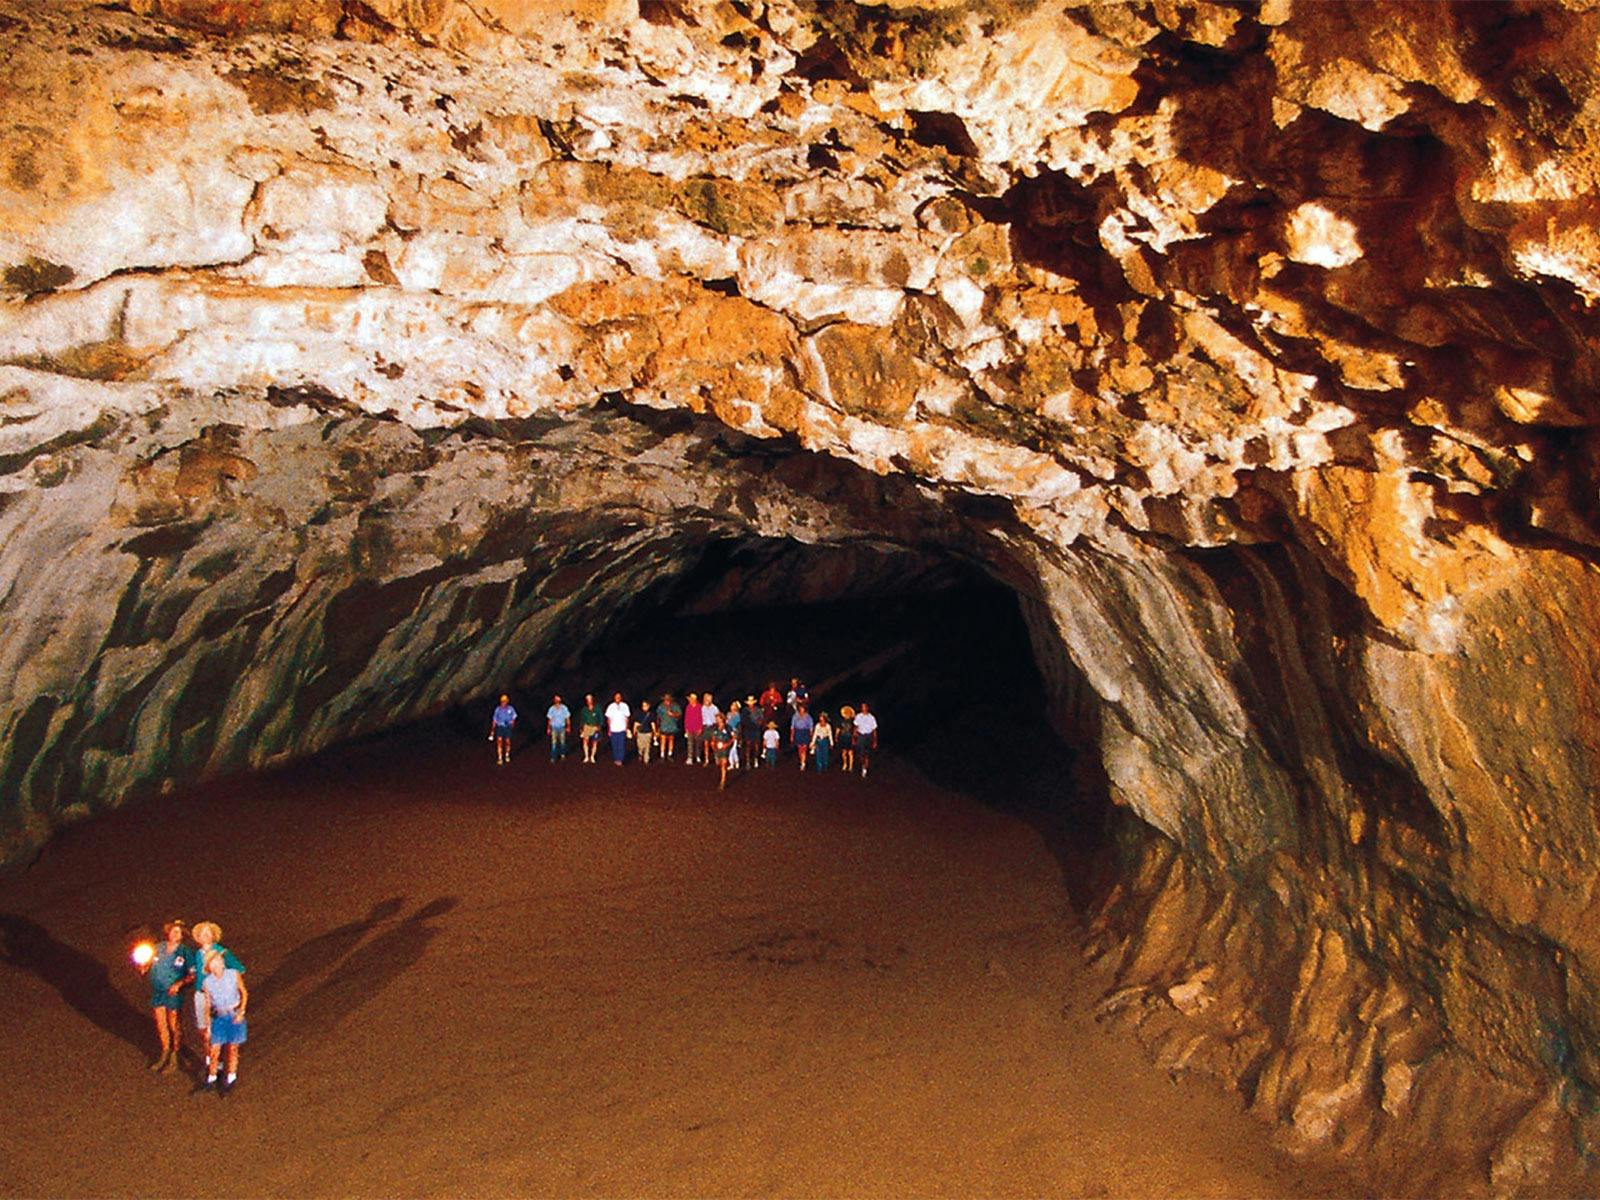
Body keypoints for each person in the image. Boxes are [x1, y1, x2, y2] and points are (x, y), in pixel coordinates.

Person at [189, 921, 244, 1070]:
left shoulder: (222, 952)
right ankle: (212, 1060)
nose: (205, 936)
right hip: (201, 994)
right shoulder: (197, 954)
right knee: (203, 1029)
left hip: (220, 997)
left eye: (208, 933)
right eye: (202, 934)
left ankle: (226, 1061)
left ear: (214, 936)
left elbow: (239, 969)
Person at [138, 920, 192, 1073]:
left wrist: (179, 984)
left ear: (182, 935)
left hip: (173, 993)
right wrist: (144, 967)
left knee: (174, 1023)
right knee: (161, 1024)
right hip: (158, 991)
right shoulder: (157, 948)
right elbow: (146, 962)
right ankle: (165, 1052)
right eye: (173, 931)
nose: (175, 934)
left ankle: (175, 1055)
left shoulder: (185, 952)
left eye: (178, 932)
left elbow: (192, 974)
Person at [199, 949, 248, 1093]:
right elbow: (208, 1004)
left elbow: (243, 992)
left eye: (219, 960)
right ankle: (211, 1078)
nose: (218, 964)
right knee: (215, 1049)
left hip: (234, 1013)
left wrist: (242, 1011)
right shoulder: (208, 982)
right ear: (210, 966)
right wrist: (208, 1025)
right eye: (214, 962)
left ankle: (231, 1078)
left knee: (233, 1048)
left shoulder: (233, 974)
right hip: (219, 1016)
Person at [707, 713, 736, 791]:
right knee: (719, 763)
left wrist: (727, 744)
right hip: (717, 749)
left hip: (725, 747)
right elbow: (713, 739)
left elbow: (733, 737)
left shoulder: (728, 728)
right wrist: (713, 746)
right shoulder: (715, 728)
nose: (717, 720)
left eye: (718, 718)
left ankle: (723, 781)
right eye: (716, 719)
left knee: (724, 763)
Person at [489, 694, 517, 766]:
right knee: (499, 742)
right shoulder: (498, 709)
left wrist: (512, 725)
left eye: (505, 701)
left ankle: (507, 755)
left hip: (508, 727)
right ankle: (500, 758)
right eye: (502, 701)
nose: (503, 703)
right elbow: (494, 720)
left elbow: (514, 717)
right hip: (500, 726)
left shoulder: (510, 709)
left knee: (508, 741)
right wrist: (492, 730)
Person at [853, 702, 879, 778]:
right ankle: (862, 764)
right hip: (860, 736)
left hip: (868, 736)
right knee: (860, 753)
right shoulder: (858, 716)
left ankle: (865, 769)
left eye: (865, 707)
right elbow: (856, 727)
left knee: (867, 754)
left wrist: (875, 741)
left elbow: (874, 730)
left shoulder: (871, 717)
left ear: (867, 708)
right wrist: (854, 738)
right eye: (862, 707)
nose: (863, 708)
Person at [605, 693, 631, 765]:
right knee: (614, 745)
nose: (618, 698)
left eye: (619, 697)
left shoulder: (625, 706)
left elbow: (627, 718)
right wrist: (609, 729)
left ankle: (620, 759)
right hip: (613, 729)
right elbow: (608, 719)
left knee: (621, 745)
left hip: (622, 728)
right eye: (616, 697)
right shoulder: (610, 706)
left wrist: (626, 728)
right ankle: (616, 758)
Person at [656, 694, 682, 760]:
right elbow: (658, 717)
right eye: (665, 700)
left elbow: (679, 715)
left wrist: (673, 714)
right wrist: (658, 726)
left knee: (671, 740)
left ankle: (669, 754)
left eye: (668, 700)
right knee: (663, 740)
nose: (666, 701)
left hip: (672, 726)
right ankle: (662, 755)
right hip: (663, 726)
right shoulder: (661, 707)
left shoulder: (675, 706)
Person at [546, 694, 571, 763]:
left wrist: (568, 726)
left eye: (558, 699)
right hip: (554, 727)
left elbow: (567, 718)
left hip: (562, 727)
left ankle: (562, 755)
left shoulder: (564, 708)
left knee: (562, 742)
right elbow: (549, 719)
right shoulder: (551, 709)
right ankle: (553, 757)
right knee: (554, 743)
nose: (557, 700)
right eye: (556, 699)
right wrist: (548, 728)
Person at [578, 694, 602, 764]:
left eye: (590, 700)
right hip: (587, 727)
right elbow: (582, 719)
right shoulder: (584, 710)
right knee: (585, 741)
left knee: (594, 742)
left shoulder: (597, 708)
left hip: (595, 727)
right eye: (587, 700)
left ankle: (592, 756)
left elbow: (600, 718)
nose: (589, 701)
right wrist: (581, 728)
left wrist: (599, 726)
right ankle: (586, 756)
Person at [790, 702, 814, 772]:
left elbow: (811, 727)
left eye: (802, 708)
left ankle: (803, 762)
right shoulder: (795, 716)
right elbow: (792, 727)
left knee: (804, 748)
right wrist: (792, 735)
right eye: (800, 708)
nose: (801, 709)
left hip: (805, 732)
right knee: (800, 748)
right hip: (798, 732)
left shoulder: (808, 717)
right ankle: (801, 761)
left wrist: (811, 736)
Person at [699, 693, 721, 766]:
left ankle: (717, 758)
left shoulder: (714, 708)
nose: (706, 701)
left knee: (713, 744)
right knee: (706, 744)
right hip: (705, 727)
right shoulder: (702, 708)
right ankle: (707, 759)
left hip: (713, 726)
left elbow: (718, 717)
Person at [742, 695, 762, 769]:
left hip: (755, 728)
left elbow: (761, 718)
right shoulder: (745, 710)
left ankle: (756, 759)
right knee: (748, 745)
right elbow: (743, 720)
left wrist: (759, 723)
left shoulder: (757, 710)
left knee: (756, 745)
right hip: (748, 729)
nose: (750, 704)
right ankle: (748, 761)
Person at [684, 692, 703, 767]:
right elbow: (686, 718)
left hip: (697, 727)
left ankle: (698, 756)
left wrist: (700, 728)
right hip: (690, 728)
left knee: (698, 743)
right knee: (690, 743)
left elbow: (701, 718)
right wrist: (686, 728)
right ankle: (690, 757)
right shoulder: (688, 707)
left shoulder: (699, 707)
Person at [633, 699, 654, 764]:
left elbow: (653, 723)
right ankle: (640, 753)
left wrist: (654, 731)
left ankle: (646, 759)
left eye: (646, 706)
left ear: (649, 706)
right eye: (643, 706)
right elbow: (636, 723)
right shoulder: (638, 714)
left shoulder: (651, 714)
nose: (644, 707)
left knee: (647, 745)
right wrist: (634, 731)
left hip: (648, 732)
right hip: (640, 732)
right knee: (640, 745)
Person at [837, 705, 857, 775]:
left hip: (850, 737)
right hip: (843, 737)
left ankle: (850, 766)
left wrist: (854, 737)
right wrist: (836, 736)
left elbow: (855, 729)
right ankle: (845, 764)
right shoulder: (841, 720)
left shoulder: (853, 721)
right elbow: (838, 729)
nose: (847, 713)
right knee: (844, 752)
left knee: (850, 752)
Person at [727, 701, 744, 770]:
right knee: (730, 749)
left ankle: (734, 762)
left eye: (734, 706)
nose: (732, 707)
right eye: (732, 706)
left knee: (733, 748)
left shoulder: (738, 715)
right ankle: (734, 762)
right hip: (729, 732)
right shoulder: (728, 714)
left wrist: (736, 733)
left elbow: (738, 726)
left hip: (735, 732)